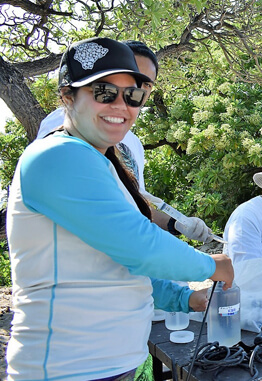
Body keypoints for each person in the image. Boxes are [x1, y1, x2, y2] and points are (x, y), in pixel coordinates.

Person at [5, 37, 234, 380]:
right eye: (104, 92)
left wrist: (185, 299)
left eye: (134, 95)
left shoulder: (102, 162)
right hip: (67, 368)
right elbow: (140, 246)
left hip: (115, 363)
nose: (121, 105)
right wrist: (211, 265)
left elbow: (119, 265)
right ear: (68, 96)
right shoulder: (56, 156)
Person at [37, 40, 214, 243]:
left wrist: (177, 224)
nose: (134, 88)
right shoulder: (64, 124)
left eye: (145, 84)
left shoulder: (133, 144)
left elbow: (136, 207)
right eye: (127, 76)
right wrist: (203, 264)